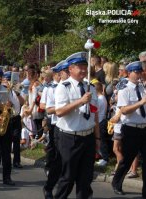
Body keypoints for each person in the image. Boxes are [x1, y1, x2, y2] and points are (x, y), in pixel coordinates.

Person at [54, 52, 100, 199]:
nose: (83, 70)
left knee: (85, 179)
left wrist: (97, 138)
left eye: (85, 66)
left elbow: (95, 114)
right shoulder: (63, 87)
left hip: (88, 137)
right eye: (79, 67)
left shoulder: (90, 87)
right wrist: (80, 101)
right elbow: (59, 111)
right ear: (71, 69)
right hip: (70, 138)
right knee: (68, 177)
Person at [112, 61, 146, 198]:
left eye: (140, 72)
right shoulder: (124, 89)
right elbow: (124, 110)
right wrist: (140, 103)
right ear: (129, 73)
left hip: (144, 129)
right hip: (131, 129)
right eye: (136, 72)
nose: (139, 75)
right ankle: (117, 182)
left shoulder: (143, 88)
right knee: (127, 159)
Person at [40, 60, 68, 199]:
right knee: (57, 157)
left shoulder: (72, 86)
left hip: (72, 127)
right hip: (57, 125)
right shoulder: (51, 88)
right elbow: (47, 108)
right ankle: (49, 186)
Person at [3, 71, 24, 169]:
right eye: (7, 80)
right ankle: (2, 158)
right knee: (5, 142)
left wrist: (18, 93)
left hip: (16, 118)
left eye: (10, 80)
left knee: (16, 140)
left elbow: (23, 102)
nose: (9, 83)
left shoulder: (16, 91)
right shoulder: (3, 91)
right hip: (7, 118)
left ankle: (16, 161)